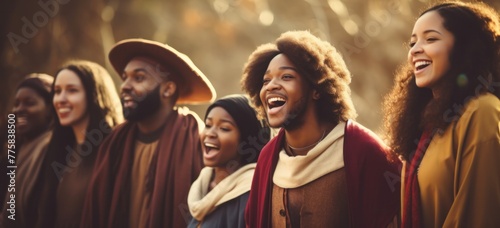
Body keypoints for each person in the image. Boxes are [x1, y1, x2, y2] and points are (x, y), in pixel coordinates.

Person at [241, 30, 400, 228]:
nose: (271, 86)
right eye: (266, 81)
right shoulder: (267, 158)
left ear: (317, 89)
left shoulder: (365, 151)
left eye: (286, 77)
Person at [382, 1, 500, 227]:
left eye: (431, 39)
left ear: (464, 47)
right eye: (412, 42)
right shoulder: (424, 124)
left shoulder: (482, 112)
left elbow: (479, 215)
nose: (415, 50)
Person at [81, 38, 216, 228]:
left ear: (168, 89)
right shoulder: (115, 141)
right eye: (125, 77)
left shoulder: (196, 139)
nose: (125, 86)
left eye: (138, 78)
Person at [36, 60, 123, 228]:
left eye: (72, 90)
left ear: (95, 95)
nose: (60, 99)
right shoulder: (57, 149)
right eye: (57, 91)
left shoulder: (115, 149)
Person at [187, 94, 270, 228]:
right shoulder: (202, 183)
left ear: (246, 140)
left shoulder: (251, 193)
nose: (210, 133)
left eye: (224, 128)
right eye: (208, 125)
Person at [0, 74, 54, 228]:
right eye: (16, 104)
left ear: (50, 109)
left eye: (29, 103)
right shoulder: (16, 148)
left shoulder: (51, 150)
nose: (18, 110)